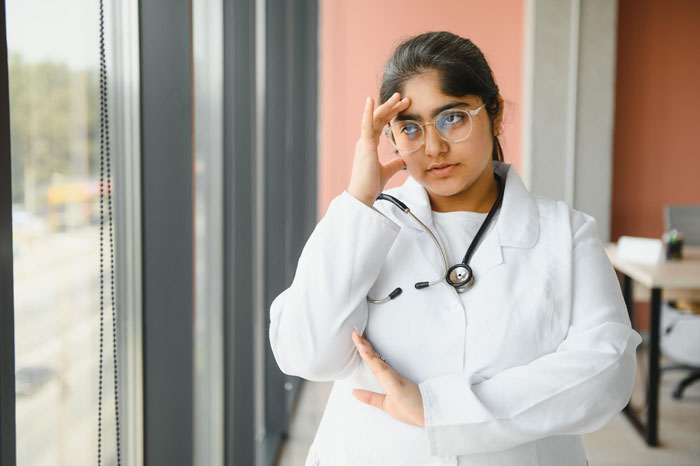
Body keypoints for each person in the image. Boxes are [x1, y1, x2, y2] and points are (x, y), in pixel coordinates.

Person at [268, 31, 641, 466]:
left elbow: (606, 372)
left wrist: (441, 410)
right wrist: (357, 199)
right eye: (409, 128)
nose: (433, 147)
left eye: (453, 118)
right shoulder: (362, 225)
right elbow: (305, 354)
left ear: (494, 112)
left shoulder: (566, 233)